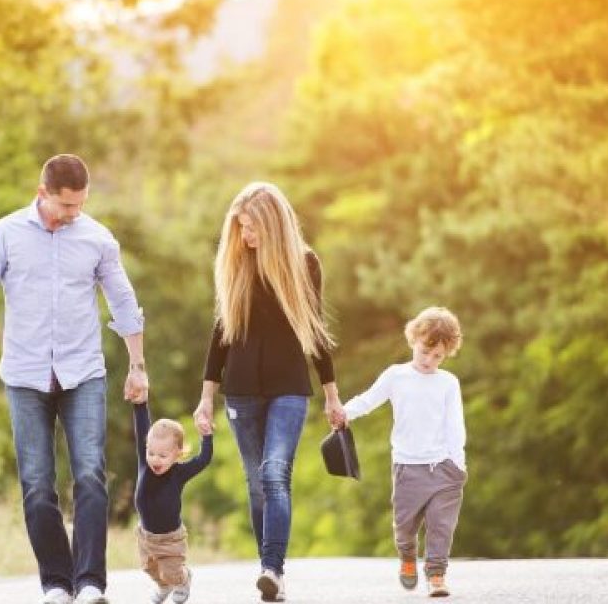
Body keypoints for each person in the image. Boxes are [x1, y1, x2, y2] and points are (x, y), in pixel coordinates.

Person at [0, 154, 149, 604]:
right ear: (43, 193)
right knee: (38, 483)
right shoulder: (5, 234)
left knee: (90, 476)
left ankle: (90, 583)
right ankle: (57, 583)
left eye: (80, 205)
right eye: (66, 206)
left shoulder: (97, 239)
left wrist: (137, 365)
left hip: (83, 372)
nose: (74, 214)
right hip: (24, 375)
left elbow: (123, 300)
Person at [192, 181, 343, 602]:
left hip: (289, 388)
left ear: (274, 224)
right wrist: (206, 397)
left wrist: (332, 395)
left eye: (253, 227)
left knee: (275, 474)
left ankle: (272, 569)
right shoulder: (235, 265)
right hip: (240, 391)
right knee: (256, 483)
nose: (246, 236)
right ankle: (268, 571)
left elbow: (316, 335)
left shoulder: (305, 264)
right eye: (240, 227)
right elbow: (220, 336)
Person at [338, 306, 467, 598]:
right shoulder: (396, 376)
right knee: (405, 528)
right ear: (414, 340)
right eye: (425, 351)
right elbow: (369, 400)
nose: (429, 361)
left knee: (440, 527)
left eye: (438, 357)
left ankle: (437, 576)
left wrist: (457, 464)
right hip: (408, 468)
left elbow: (455, 425)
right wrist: (344, 412)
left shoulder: (448, 383)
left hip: (444, 469)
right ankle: (408, 559)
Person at [132, 401, 212, 604]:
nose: (155, 460)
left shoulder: (179, 473)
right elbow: (142, 425)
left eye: (163, 455)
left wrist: (207, 436)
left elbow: (203, 459)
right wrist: (140, 404)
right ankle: (164, 586)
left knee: (171, 571)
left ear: (177, 453)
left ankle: (183, 579)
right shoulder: (145, 464)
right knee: (149, 568)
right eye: (151, 453)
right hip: (145, 535)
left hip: (170, 539)